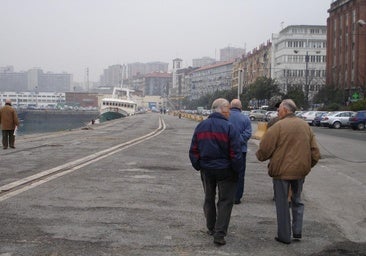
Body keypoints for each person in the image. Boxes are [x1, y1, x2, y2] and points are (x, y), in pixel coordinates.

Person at [255, 99, 320, 244]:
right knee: (297, 201)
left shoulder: (278, 126)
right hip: (300, 171)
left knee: (282, 203)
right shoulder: (305, 126)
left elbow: (265, 148)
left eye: (279, 110)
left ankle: (284, 236)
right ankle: (297, 231)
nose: (277, 112)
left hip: (281, 172)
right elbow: (315, 152)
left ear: (285, 110)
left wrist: (260, 156)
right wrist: (307, 166)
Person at [189, 98, 242, 246]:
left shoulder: (201, 126)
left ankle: (211, 227)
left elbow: (194, 149)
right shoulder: (229, 128)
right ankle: (219, 234)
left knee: (209, 198)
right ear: (223, 110)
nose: (230, 113)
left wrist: (199, 165)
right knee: (225, 201)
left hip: (207, 169)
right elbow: (235, 153)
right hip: (226, 170)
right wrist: (236, 170)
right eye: (228, 110)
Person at [228, 99, 252, 204]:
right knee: (240, 174)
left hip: (226, 149)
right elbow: (248, 133)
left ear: (230, 106)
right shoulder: (245, 118)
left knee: (226, 172)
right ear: (240, 107)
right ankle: (237, 197)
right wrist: (238, 140)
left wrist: (231, 140)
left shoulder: (226, 116)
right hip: (241, 150)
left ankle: (226, 195)